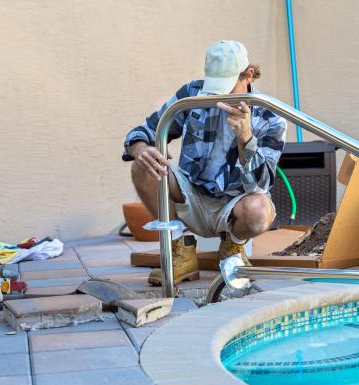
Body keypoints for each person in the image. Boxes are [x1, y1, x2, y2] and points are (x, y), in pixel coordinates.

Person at [123, 40, 287, 286]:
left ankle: (233, 249)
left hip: (236, 203)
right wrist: (141, 148)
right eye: (215, 86)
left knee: (260, 211)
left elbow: (260, 184)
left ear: (248, 75)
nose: (219, 96)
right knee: (142, 166)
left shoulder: (271, 116)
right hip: (192, 194)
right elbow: (146, 130)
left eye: (227, 86)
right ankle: (180, 249)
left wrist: (245, 138)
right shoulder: (193, 94)